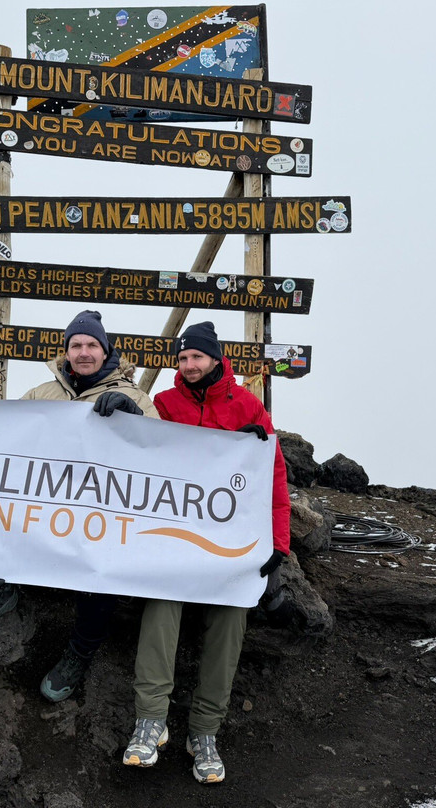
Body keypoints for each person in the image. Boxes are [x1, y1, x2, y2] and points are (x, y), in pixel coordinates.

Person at [0, 310, 158, 703]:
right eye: (76, 345)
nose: (83, 352)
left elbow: (159, 457)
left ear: (105, 349)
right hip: (45, 504)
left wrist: (135, 419)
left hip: (100, 512)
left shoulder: (136, 397)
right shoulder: (41, 394)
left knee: (103, 572)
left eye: (91, 344)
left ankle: (79, 653)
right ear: (66, 351)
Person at [121, 321, 290, 785]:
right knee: (160, 607)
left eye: (196, 357)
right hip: (174, 538)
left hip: (230, 543)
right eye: (181, 358)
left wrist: (278, 544)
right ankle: (150, 720)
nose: (188, 366)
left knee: (231, 620)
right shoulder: (165, 404)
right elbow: (139, 457)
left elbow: (274, 479)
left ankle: (205, 731)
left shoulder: (249, 406)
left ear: (215, 358)